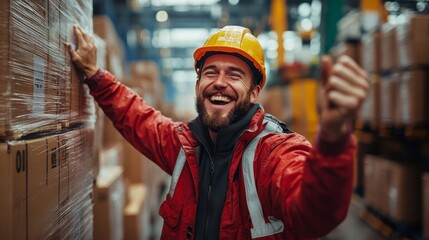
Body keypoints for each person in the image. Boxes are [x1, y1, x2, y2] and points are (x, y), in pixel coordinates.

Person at [67, 24, 369, 240]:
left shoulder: (274, 153)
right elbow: (138, 118)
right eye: (210, 72)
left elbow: (315, 212)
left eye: (234, 74)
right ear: (199, 86)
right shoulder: (184, 145)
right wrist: (95, 76)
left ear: (254, 92)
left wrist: (333, 140)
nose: (219, 82)